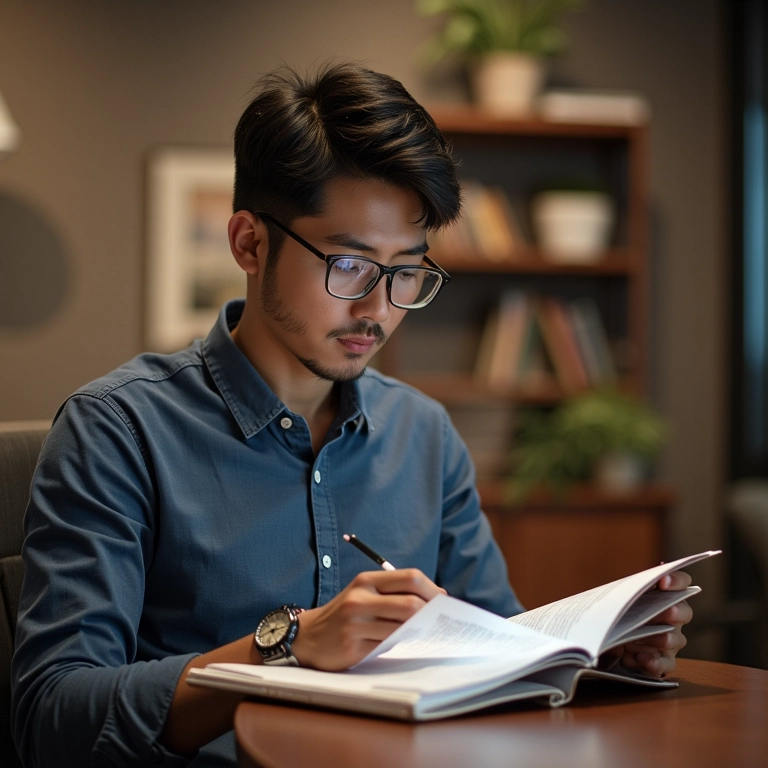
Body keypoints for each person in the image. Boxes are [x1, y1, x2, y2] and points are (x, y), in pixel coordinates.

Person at [11, 63, 693, 768]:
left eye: (406, 272)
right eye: (349, 265)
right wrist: (287, 646)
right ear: (249, 243)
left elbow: (495, 645)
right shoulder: (117, 431)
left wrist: (591, 659)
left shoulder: (424, 435)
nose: (378, 309)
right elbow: (52, 718)